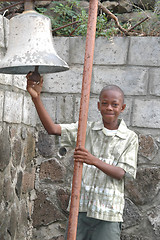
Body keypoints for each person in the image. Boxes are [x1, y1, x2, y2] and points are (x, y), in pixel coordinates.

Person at [26, 73, 139, 240]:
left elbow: (122, 173)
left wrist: (93, 160)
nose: (109, 108)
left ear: (122, 108)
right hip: (80, 210)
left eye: (115, 105)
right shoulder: (86, 129)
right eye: (105, 104)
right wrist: (36, 98)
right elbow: (53, 129)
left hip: (108, 215)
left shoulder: (129, 138)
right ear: (98, 105)